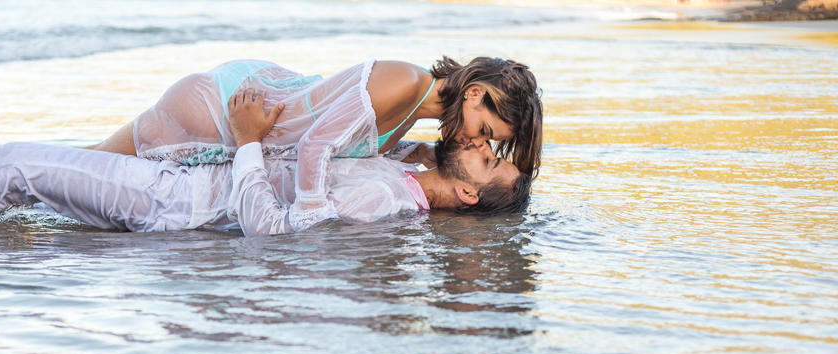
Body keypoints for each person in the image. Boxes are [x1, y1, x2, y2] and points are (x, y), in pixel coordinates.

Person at [0, 89, 530, 237]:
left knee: (15, 165)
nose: (483, 146)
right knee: (31, 186)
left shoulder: (388, 202)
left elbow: (274, 232)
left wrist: (249, 136)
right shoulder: (405, 167)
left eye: (494, 162)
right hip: (178, 191)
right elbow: (418, 122)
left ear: (469, 199)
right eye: (489, 137)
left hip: (172, 202)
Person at [86, 56, 542, 229]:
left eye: (485, 142)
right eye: (483, 130)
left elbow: (350, 141)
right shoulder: (404, 83)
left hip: (251, 120)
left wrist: (412, 152)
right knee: (87, 170)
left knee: (87, 176)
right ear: (476, 93)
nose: (472, 140)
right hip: (218, 113)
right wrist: (311, 223)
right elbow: (315, 148)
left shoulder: (420, 104)